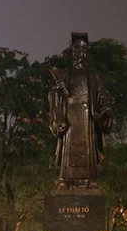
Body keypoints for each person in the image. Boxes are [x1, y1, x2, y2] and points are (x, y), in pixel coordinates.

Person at [48, 33, 112, 190]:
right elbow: (54, 95)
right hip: (70, 115)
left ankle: (90, 180)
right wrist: (56, 93)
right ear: (72, 52)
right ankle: (65, 179)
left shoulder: (94, 74)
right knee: (68, 147)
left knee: (87, 146)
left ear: (86, 53)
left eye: (82, 50)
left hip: (87, 115)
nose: (79, 53)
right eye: (76, 50)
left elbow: (101, 93)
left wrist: (106, 107)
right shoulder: (65, 74)